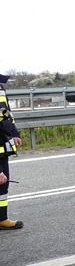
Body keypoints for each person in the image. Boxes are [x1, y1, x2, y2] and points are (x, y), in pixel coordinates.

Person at [0, 73, 23, 230]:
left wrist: (14, 133)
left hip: (2, 142)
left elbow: (6, 114)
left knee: (2, 184)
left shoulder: (1, 88)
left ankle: (2, 218)